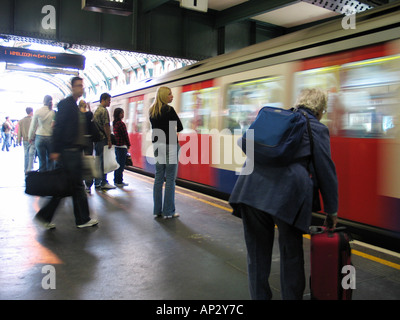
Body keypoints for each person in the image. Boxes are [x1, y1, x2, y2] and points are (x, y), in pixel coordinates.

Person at [229, 88, 338, 300]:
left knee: (257, 256)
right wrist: (332, 210)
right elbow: (326, 170)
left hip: (250, 189)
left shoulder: (278, 119)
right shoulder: (316, 128)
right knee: (291, 254)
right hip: (288, 196)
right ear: (320, 110)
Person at [34, 76, 98, 229]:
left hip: (73, 151)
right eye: (78, 85)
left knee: (67, 187)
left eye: (82, 85)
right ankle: (82, 219)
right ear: (72, 87)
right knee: (75, 186)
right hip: (68, 152)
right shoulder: (66, 104)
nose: (81, 88)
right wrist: (55, 150)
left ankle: (46, 216)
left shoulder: (74, 105)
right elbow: (58, 128)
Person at [149, 86, 183, 219]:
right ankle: (168, 211)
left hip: (157, 145)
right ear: (164, 96)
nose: (172, 96)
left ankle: (157, 210)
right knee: (170, 179)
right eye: (169, 94)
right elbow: (180, 127)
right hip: (170, 145)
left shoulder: (152, 111)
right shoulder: (169, 110)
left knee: (158, 178)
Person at [93, 93, 116, 190]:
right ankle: (103, 182)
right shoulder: (104, 111)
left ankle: (97, 182)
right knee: (103, 162)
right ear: (103, 100)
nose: (109, 102)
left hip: (97, 140)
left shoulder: (97, 110)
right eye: (108, 100)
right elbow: (106, 126)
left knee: (98, 161)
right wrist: (109, 139)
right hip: (103, 139)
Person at [28, 95, 55, 171]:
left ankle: (42, 180)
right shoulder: (52, 112)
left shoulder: (38, 111)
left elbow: (33, 126)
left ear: (43, 101)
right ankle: (50, 179)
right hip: (50, 137)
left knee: (42, 161)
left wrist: (30, 137)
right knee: (50, 160)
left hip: (39, 137)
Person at [79, 100, 95, 193]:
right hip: (88, 140)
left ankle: (79, 182)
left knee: (79, 161)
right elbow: (92, 120)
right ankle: (88, 185)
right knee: (88, 162)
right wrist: (89, 107)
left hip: (79, 140)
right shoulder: (89, 114)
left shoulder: (77, 115)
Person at [112, 107, 131, 187]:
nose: (123, 114)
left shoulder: (115, 123)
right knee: (121, 165)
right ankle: (119, 181)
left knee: (118, 164)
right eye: (122, 113)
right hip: (122, 146)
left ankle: (116, 180)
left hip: (117, 146)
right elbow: (125, 135)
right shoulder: (121, 124)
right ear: (119, 114)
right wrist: (128, 144)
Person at [17, 107, 36, 173]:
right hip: (32, 139)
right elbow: (35, 129)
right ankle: (29, 169)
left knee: (26, 155)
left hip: (24, 140)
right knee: (31, 155)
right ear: (31, 112)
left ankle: (25, 169)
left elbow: (19, 131)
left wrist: (19, 140)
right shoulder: (33, 120)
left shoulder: (21, 121)